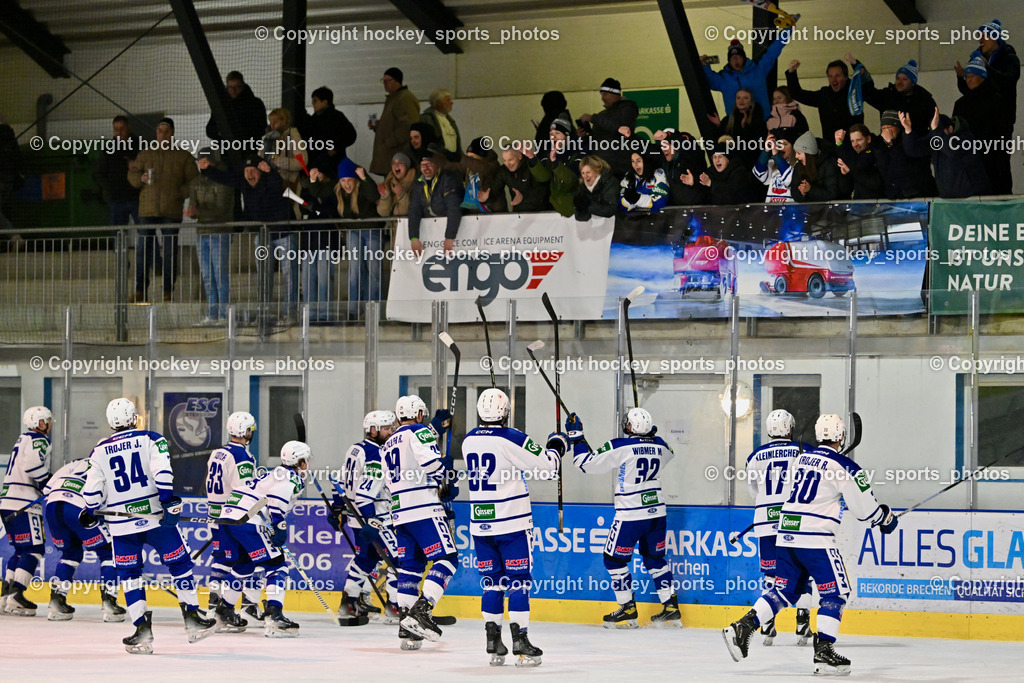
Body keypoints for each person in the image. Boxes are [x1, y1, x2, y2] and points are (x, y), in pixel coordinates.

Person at [723, 414, 899, 676]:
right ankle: (824, 651)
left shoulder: (800, 459)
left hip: (786, 533)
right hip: (815, 538)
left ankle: (742, 627)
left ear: (818, 436)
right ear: (841, 437)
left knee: (785, 591)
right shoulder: (846, 467)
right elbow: (865, 511)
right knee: (835, 594)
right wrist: (884, 518)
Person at [80, 398, 215, 653]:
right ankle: (193, 620)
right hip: (155, 519)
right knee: (180, 565)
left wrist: (89, 511)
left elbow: (92, 494)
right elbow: (163, 474)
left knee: (130, 575)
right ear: (134, 417)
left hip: (120, 526)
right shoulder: (151, 438)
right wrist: (167, 503)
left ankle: (141, 630)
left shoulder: (98, 450)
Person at [462, 389, 562, 666]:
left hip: (481, 526)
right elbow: (547, 469)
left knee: (492, 584)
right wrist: (556, 446)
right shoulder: (512, 436)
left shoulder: (468, 439)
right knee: (518, 582)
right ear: (505, 412)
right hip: (512, 524)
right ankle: (520, 640)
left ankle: (493, 641)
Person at [566, 408, 680, 628]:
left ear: (630, 427)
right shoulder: (660, 446)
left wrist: (577, 437)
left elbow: (584, 464)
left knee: (613, 559)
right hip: (657, 512)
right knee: (654, 559)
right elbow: (670, 452)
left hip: (631, 513)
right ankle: (671, 606)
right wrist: (651, 436)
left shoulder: (620, 445)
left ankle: (627, 607)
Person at [380, 395, 459, 650]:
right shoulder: (420, 430)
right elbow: (430, 463)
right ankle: (422, 611)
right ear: (419, 414)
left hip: (399, 512)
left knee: (411, 567)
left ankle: (407, 625)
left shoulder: (388, 443)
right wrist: (446, 476)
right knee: (448, 559)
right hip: (423, 508)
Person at [218, 440, 311, 637]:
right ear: (301, 462)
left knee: (243, 566)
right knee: (277, 566)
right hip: (247, 519)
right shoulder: (291, 477)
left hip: (227, 517)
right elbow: (276, 503)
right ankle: (274, 616)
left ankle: (223, 611)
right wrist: (280, 527)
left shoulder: (272, 473)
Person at [742, 410, 813, 646]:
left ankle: (767, 624)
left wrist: (765, 503)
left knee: (771, 575)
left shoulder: (755, 455)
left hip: (765, 521)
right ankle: (803, 623)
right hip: (794, 522)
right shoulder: (803, 451)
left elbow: (753, 489)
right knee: (803, 571)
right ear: (790, 429)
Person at [332, 410, 400, 624]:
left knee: (366, 559)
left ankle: (349, 602)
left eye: (392, 427)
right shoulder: (376, 454)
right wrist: (371, 519)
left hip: (356, 518)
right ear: (373, 430)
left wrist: (337, 507)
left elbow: (341, 480)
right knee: (398, 560)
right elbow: (364, 494)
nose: (392, 431)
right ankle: (396, 607)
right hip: (376, 518)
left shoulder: (355, 449)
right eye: (387, 428)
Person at [43, 457, 126, 622]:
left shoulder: (75, 462)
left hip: (53, 507)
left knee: (70, 554)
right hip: (78, 507)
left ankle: (56, 603)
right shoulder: (112, 467)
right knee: (108, 553)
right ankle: (110, 604)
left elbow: (46, 490)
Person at [127, 117, 198, 302]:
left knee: (169, 252)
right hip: (147, 210)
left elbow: (194, 180)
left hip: (171, 209)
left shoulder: (183, 156)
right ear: (156, 133)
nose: (163, 134)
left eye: (166, 131)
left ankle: (168, 291)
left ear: (172, 133)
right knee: (143, 250)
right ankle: (140, 291)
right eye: (160, 130)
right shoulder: (145, 154)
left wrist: (180, 193)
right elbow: (132, 173)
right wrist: (139, 179)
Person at [205, 411, 257, 633]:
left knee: (220, 558)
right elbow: (245, 491)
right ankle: (234, 607)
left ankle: (212, 606)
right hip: (233, 518)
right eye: (250, 429)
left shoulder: (218, 453)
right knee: (241, 561)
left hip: (214, 513)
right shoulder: (242, 457)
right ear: (245, 432)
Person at [310, 158, 381, 319]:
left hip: (372, 231)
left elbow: (374, 195)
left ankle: (373, 309)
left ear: (355, 180)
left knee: (374, 270)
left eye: (349, 180)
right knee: (355, 270)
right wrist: (313, 180)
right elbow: (318, 193)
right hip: (353, 232)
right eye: (343, 180)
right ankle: (354, 309)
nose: (347, 184)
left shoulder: (362, 187)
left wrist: (364, 177)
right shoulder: (338, 190)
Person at [0, 406, 52, 616]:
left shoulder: (22, 439)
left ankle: (5, 596)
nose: (48, 424)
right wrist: (48, 483)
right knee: (33, 549)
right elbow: (32, 466)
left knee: (19, 551)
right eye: (46, 420)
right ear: (38, 423)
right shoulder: (38, 439)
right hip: (24, 503)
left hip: (7, 502)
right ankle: (17, 596)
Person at [953, 56, 1013, 195]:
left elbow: (1004, 131)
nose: (968, 79)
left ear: (982, 77)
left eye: (972, 76)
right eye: (966, 76)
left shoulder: (997, 101)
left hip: (994, 161)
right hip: (969, 162)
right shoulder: (961, 104)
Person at [702, 30, 796, 118]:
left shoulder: (758, 70)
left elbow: (773, 51)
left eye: (739, 57)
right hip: (736, 125)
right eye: (733, 58)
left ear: (744, 58)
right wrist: (705, 65)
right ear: (729, 61)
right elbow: (708, 80)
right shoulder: (724, 78)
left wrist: (788, 31)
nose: (736, 60)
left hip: (762, 122)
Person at [902, 109, 991, 199]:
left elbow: (952, 150)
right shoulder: (936, 138)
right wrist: (908, 131)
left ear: (950, 129)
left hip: (973, 199)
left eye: (940, 131)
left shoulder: (966, 138)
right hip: (948, 200)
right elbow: (914, 150)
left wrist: (936, 131)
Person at [189, 148, 234, 324]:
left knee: (220, 275)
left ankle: (224, 315)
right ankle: (212, 314)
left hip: (219, 233)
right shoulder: (195, 182)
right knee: (208, 276)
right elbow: (194, 204)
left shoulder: (223, 181)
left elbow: (222, 209)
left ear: (213, 162)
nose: (202, 164)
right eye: (200, 161)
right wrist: (192, 211)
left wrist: (199, 210)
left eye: (206, 161)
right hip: (202, 233)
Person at [956, 20, 1020, 127]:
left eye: (984, 36)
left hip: (1001, 120)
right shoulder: (976, 58)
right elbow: (969, 91)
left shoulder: (1010, 58)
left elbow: (1008, 81)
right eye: (979, 36)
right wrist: (960, 78)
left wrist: (987, 68)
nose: (980, 40)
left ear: (994, 37)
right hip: (978, 119)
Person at [785, 60, 865, 140]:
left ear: (846, 77)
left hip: (853, 146)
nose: (834, 80)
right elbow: (797, 94)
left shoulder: (855, 93)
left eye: (837, 76)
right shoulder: (824, 95)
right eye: (830, 76)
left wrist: (856, 65)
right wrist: (791, 72)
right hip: (830, 147)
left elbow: (871, 92)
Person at [854, 56, 937, 133]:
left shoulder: (925, 100)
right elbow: (869, 93)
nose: (900, 82)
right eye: (897, 78)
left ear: (913, 82)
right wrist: (859, 69)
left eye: (904, 79)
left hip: (916, 145)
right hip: (890, 146)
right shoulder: (887, 96)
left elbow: (936, 124)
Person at [577, 78, 639, 178]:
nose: (602, 98)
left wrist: (593, 118)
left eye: (605, 94)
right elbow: (597, 140)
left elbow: (619, 126)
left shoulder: (628, 109)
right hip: (600, 168)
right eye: (601, 94)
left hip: (619, 168)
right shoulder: (602, 115)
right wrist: (584, 136)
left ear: (615, 94)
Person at [408, 155, 462, 257]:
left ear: (436, 165)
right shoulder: (418, 182)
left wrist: (450, 237)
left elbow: (454, 207)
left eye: (429, 164)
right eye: (423, 165)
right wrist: (414, 238)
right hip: (432, 231)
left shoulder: (447, 178)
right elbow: (414, 210)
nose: (426, 168)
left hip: (452, 229)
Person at [874, 110, 935, 200]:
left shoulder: (909, 140)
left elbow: (903, 164)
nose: (887, 131)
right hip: (893, 196)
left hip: (915, 195)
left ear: (898, 127)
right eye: (883, 128)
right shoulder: (879, 145)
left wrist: (891, 144)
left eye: (890, 127)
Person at [370, 68, 420, 176]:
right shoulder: (394, 98)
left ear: (397, 81)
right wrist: (380, 127)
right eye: (383, 81)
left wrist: (389, 141)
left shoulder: (404, 98)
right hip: (391, 156)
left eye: (388, 80)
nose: (385, 84)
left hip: (396, 155)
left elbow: (408, 126)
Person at [526, 118, 580, 217]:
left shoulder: (579, 152)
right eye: (551, 133)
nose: (553, 136)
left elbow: (571, 179)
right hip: (556, 207)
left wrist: (555, 162)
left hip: (576, 209)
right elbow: (544, 177)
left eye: (557, 133)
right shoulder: (550, 152)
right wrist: (532, 158)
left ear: (567, 135)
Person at [295, 85, 357, 171]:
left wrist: (335, 148)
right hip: (320, 163)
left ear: (324, 102)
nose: (313, 103)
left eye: (315, 101)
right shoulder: (314, 119)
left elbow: (351, 135)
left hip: (332, 163)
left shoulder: (336, 117)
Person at [93, 115, 140, 225]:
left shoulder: (139, 146)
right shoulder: (108, 149)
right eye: (116, 129)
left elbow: (149, 168)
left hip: (137, 197)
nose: (119, 132)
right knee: (119, 234)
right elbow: (99, 173)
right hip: (117, 199)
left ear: (128, 128)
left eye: (122, 128)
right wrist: (111, 188)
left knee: (145, 232)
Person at [205, 71, 268, 153]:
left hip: (249, 150)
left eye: (237, 87)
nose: (233, 91)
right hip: (227, 152)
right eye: (230, 87)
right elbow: (210, 129)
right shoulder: (221, 106)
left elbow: (262, 127)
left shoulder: (255, 104)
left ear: (242, 86)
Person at [710, 89, 767, 172]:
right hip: (729, 166)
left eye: (745, 98)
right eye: (738, 97)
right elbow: (720, 143)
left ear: (751, 102)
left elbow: (756, 147)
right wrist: (719, 125)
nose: (741, 100)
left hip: (749, 167)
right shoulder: (727, 120)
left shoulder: (758, 122)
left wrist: (745, 127)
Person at [263, 108, 307, 213]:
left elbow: (302, 162)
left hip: (288, 182)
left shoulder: (293, 136)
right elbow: (261, 156)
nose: (272, 125)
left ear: (284, 121)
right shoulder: (268, 137)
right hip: (270, 183)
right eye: (270, 122)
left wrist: (276, 161)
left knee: (290, 211)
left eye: (275, 122)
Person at [699, 140, 764, 205]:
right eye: (714, 157)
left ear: (728, 158)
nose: (717, 160)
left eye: (720, 156)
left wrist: (711, 184)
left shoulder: (739, 172)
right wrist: (693, 183)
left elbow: (732, 194)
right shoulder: (711, 172)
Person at [655, 130, 708, 206]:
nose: (664, 149)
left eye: (666, 145)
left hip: (697, 209)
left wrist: (667, 136)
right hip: (675, 213)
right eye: (662, 146)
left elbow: (689, 144)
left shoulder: (690, 158)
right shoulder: (664, 164)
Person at [836, 124, 884, 200]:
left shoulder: (877, 154)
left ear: (868, 139)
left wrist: (851, 171)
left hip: (879, 205)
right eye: (852, 141)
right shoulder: (854, 158)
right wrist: (845, 174)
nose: (855, 145)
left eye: (859, 140)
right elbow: (845, 190)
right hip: (859, 206)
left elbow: (874, 184)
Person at [791, 132, 841, 203]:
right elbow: (794, 190)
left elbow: (832, 193)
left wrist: (810, 189)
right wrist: (802, 193)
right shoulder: (798, 166)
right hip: (807, 211)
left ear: (809, 154)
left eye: (799, 153)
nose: (796, 156)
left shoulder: (828, 165)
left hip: (826, 211)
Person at [497, 148, 549, 213]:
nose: (507, 164)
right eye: (504, 160)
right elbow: (496, 187)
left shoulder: (531, 166)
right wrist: (488, 195)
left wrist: (523, 197)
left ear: (519, 156)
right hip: (519, 213)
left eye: (510, 160)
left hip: (540, 212)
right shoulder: (504, 170)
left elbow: (541, 191)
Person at [753, 128, 799, 203]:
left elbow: (789, 179)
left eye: (785, 144)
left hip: (790, 210)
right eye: (778, 144)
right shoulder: (773, 163)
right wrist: (766, 150)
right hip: (772, 210)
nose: (781, 147)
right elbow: (759, 173)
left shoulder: (798, 164)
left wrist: (776, 154)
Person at [574, 155, 619, 221]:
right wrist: (579, 207)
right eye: (583, 173)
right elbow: (582, 218)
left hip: (614, 227)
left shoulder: (609, 182)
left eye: (588, 172)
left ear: (597, 171)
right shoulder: (582, 186)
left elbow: (611, 209)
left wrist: (588, 206)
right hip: (592, 229)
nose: (585, 176)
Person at [420, 89, 461, 155]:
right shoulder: (426, 119)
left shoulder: (450, 120)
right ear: (438, 103)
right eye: (448, 100)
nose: (451, 102)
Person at [377, 152, 416, 217]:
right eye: (393, 163)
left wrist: (402, 195)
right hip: (394, 226)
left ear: (407, 166)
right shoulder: (388, 183)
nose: (396, 165)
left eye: (400, 162)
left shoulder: (416, 183)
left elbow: (408, 211)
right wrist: (385, 197)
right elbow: (383, 213)